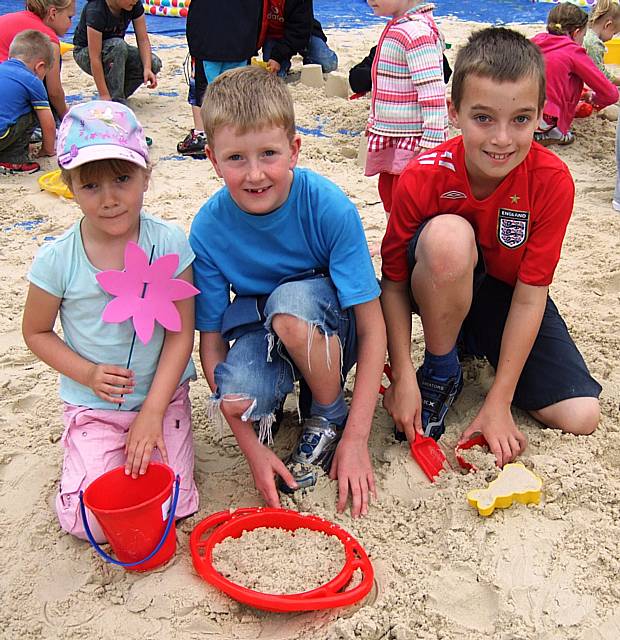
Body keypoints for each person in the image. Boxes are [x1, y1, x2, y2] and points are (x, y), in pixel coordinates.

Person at [380, 27, 601, 468]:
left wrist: (499, 401)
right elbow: (393, 283)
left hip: (503, 292)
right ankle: (441, 368)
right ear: (454, 111)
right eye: (483, 118)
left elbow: (530, 294)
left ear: (541, 114)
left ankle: (471, 339)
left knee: (581, 415)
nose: (502, 139)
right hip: (437, 276)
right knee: (448, 238)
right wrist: (403, 373)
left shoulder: (552, 180)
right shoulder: (423, 175)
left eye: (520, 119)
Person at [190, 66, 386, 518]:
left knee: (289, 307)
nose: (255, 173)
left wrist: (356, 438)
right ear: (214, 160)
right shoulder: (208, 228)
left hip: (331, 334)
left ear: (294, 150)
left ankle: (328, 411)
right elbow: (212, 343)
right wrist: (250, 450)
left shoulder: (329, 207)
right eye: (236, 158)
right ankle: (275, 407)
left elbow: (373, 328)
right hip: (263, 332)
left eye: (269, 154)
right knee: (237, 393)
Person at [22, 101, 199, 541]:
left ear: (145, 175)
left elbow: (181, 334)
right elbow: (35, 331)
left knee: (172, 506)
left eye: (122, 179)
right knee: (94, 523)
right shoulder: (57, 260)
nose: (109, 199)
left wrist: (154, 410)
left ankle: (143, 441)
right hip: (96, 408)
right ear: (69, 186)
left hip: (161, 399)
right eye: (91, 185)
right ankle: (81, 458)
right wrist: (87, 373)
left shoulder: (169, 243)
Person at [365, 0, 448, 219]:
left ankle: (405, 240)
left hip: (412, 136)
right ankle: (394, 234)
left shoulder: (416, 31)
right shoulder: (400, 24)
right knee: (390, 191)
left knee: (410, 194)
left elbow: (432, 89)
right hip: (394, 131)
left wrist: (432, 137)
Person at [176, 0, 264, 157]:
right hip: (241, 38)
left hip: (207, 40)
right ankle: (237, 131)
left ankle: (201, 133)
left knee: (202, 88)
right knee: (237, 89)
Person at [532, 2, 618, 146]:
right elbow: (611, 94)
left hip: (515, 112)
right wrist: (594, 99)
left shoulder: (536, 40)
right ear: (576, 33)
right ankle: (551, 131)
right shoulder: (573, 51)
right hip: (543, 118)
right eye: (583, 36)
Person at [72, 0, 162, 104]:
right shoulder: (96, 9)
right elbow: (94, 57)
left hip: (114, 50)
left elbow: (143, 39)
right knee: (118, 46)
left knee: (153, 63)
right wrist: (103, 95)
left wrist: (147, 68)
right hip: (85, 53)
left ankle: (117, 96)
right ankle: (115, 99)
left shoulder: (133, 4)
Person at [0, 0, 76, 121]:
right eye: (69, 17)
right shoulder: (49, 40)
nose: (70, 24)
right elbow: (54, 92)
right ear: (53, 13)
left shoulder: (15, 17)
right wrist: (66, 116)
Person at [0, 30, 56, 174]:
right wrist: (47, 150)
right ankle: (14, 160)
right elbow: (48, 123)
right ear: (40, 67)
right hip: (2, 136)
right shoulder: (32, 80)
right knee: (34, 110)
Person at [262, 1, 338, 78]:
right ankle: (285, 62)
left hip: (303, 33)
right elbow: (251, 27)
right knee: (274, 75)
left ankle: (308, 59)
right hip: (273, 36)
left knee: (328, 64)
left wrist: (276, 57)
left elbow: (300, 30)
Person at [583, 0, 620, 86]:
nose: (612, 37)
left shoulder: (585, 33)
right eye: (614, 33)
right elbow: (600, 76)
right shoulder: (594, 43)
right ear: (607, 25)